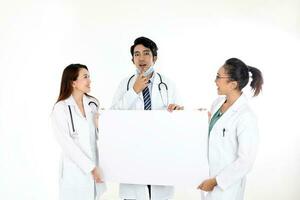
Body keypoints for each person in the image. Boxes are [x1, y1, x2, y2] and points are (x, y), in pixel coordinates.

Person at [111, 36, 183, 200]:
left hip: (160, 149)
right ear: (132, 59)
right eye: (137, 54)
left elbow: (179, 121)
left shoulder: (168, 84)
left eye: (146, 53)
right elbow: (112, 118)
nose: (141, 58)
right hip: (133, 150)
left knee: (159, 192)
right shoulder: (125, 85)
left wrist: (178, 112)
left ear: (154, 58)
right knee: (136, 193)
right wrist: (133, 91)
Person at [197, 58, 263, 200]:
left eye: (218, 77)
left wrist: (216, 182)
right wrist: (197, 119)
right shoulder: (217, 103)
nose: (215, 81)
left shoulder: (246, 116)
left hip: (226, 188)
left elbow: (246, 161)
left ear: (233, 84)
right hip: (207, 180)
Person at [51, 64, 106, 200]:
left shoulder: (93, 103)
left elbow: (102, 137)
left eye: (89, 76)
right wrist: (91, 168)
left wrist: (101, 126)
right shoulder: (61, 108)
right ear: (73, 82)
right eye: (85, 77)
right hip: (74, 171)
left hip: (95, 168)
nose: (89, 80)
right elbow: (66, 143)